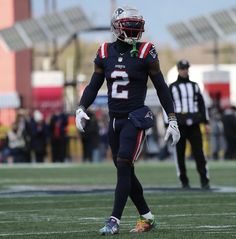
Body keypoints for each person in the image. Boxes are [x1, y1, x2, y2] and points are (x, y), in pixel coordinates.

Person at [75, 6, 180, 235]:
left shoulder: (146, 51)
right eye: (128, 25)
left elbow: (161, 87)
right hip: (114, 120)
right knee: (126, 172)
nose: (133, 30)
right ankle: (148, 217)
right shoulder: (104, 51)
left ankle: (114, 220)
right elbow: (94, 84)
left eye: (135, 25)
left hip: (136, 117)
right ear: (116, 27)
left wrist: (172, 118)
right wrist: (82, 106)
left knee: (123, 164)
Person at [168, 59, 210, 189]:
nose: (184, 71)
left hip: (194, 123)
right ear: (178, 70)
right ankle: (184, 181)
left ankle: (204, 179)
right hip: (180, 123)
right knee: (180, 154)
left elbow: (202, 105)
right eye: (182, 68)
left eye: (186, 68)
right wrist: (168, 124)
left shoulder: (195, 86)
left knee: (199, 153)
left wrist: (205, 121)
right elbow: (168, 106)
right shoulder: (173, 87)